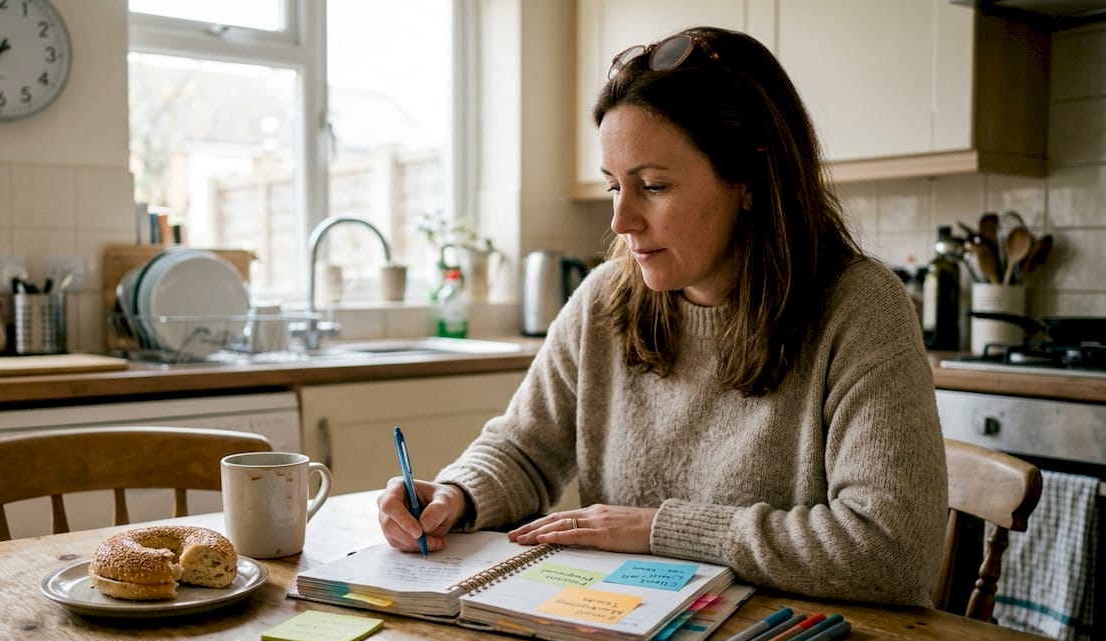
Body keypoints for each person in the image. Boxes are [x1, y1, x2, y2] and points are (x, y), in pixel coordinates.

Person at [377, 27, 947, 606]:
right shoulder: (604, 299)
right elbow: (524, 449)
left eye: (652, 185)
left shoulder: (860, 309)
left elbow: (891, 549)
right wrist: (456, 494)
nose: (622, 221)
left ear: (749, 180)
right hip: (635, 639)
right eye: (613, 187)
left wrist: (657, 530)